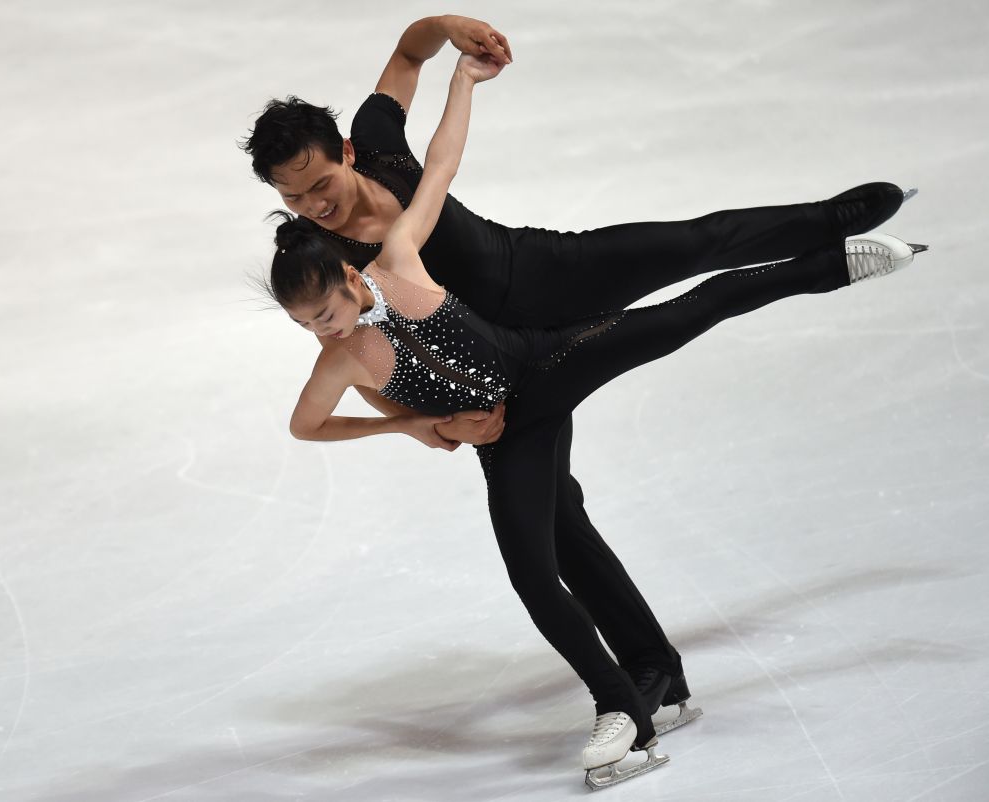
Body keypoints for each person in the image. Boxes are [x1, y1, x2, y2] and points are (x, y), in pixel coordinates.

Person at [262, 52, 923, 786]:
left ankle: (833, 256)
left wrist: (460, 74)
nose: (322, 329)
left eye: (325, 313)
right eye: (307, 323)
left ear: (351, 277)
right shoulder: (342, 348)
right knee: (540, 561)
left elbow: (441, 155)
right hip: (507, 424)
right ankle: (640, 693)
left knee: (687, 304)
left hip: (544, 350)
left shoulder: (396, 254)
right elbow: (332, 418)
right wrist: (424, 428)